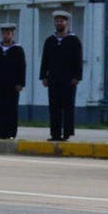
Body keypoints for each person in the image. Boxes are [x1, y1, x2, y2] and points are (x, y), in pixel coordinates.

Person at [39, 10, 83, 140]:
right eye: (57, 21)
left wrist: (77, 77)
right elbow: (45, 59)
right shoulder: (50, 41)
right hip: (53, 79)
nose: (59, 23)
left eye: (61, 21)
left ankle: (67, 133)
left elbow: (79, 60)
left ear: (66, 23)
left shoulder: (74, 40)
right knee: (54, 107)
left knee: (68, 107)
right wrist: (44, 76)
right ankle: (55, 133)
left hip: (69, 80)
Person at [0, 22, 26, 140]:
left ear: (12, 34)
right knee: (0, 109)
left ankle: (11, 134)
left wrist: (20, 83)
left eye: (8, 33)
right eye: (3, 33)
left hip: (13, 86)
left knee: (11, 109)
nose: (5, 35)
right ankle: (1, 133)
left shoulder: (17, 49)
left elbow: (22, 67)